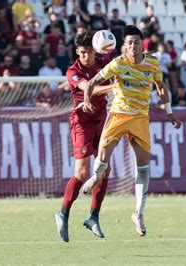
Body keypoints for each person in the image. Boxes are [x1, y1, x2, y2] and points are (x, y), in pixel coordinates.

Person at [80, 25, 182, 237]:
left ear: (142, 43)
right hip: (118, 115)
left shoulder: (153, 62)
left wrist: (170, 112)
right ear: (124, 46)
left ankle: (138, 212)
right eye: (129, 43)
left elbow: (161, 86)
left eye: (136, 42)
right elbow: (91, 83)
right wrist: (88, 101)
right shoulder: (118, 63)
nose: (132, 46)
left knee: (143, 168)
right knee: (102, 158)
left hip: (140, 118)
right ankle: (95, 177)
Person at [53, 32, 115, 242]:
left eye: (87, 52)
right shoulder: (73, 71)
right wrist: (114, 86)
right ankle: (63, 213)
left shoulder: (103, 64)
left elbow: (117, 73)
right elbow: (88, 87)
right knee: (82, 172)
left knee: (104, 170)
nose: (83, 57)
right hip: (81, 122)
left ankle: (93, 217)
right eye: (80, 53)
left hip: (101, 119)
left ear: (95, 50)